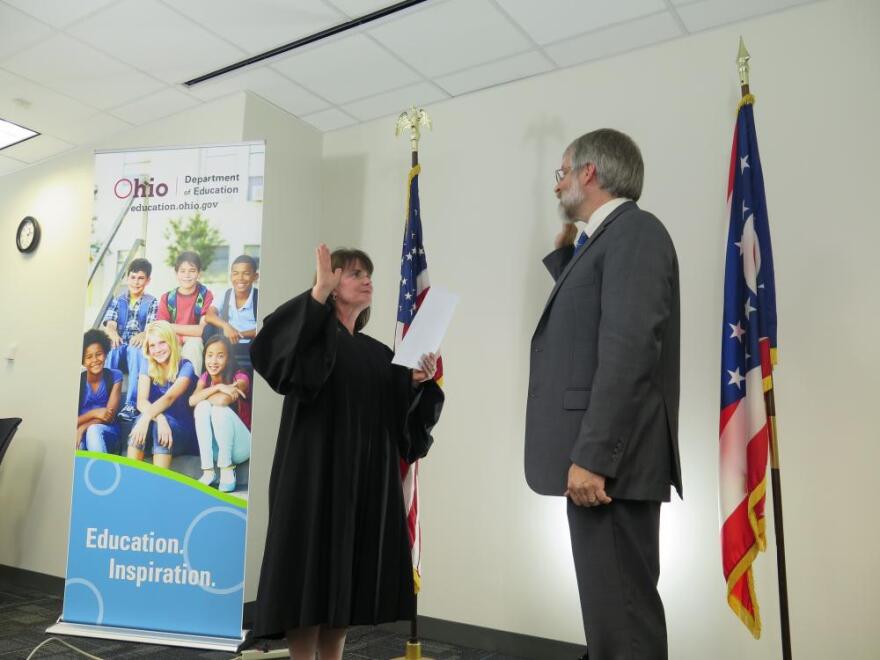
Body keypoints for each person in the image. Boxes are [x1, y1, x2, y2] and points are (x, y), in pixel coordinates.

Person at [524, 129, 681, 660]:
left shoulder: (636, 233)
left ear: (589, 173)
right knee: (614, 620)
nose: (558, 186)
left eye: (562, 173)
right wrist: (566, 254)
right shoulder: (608, 240)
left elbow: (629, 351)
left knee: (623, 630)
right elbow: (590, 323)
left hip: (610, 466)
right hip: (607, 465)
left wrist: (592, 457)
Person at [248, 244, 444, 660]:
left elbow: (401, 423)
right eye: (355, 273)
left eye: (368, 274)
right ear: (334, 283)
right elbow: (272, 354)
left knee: (344, 579)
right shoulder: (313, 340)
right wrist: (316, 292)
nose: (366, 280)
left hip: (360, 480)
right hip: (312, 476)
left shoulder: (377, 353)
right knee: (307, 574)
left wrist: (415, 383)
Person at [127, 320, 199, 470]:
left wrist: (148, 417)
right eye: (152, 345)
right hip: (157, 425)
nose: (157, 350)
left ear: (171, 342)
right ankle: (130, 481)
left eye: (162, 343)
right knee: (142, 421)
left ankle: (159, 486)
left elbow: (169, 398)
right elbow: (141, 401)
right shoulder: (148, 364)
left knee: (147, 422)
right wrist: (160, 418)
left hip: (181, 432)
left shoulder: (186, 366)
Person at [188, 335, 252, 492]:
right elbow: (191, 401)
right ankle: (208, 471)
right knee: (201, 407)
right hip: (216, 448)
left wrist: (206, 395)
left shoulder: (241, 377)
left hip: (242, 446)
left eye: (220, 356)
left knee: (217, 410)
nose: (213, 361)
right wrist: (218, 387)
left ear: (228, 358)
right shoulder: (205, 378)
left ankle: (227, 470)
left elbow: (223, 401)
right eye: (209, 355)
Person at [101, 258, 157, 419]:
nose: (136, 282)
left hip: (136, 348)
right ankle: (106, 399)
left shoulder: (151, 301)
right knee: (113, 348)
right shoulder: (119, 299)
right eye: (133, 277)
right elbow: (110, 324)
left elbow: (151, 326)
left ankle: (131, 404)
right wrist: (112, 332)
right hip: (121, 342)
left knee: (136, 350)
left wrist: (144, 333)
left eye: (141, 278)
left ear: (148, 280)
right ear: (127, 278)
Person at [156, 251, 214, 374]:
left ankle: (191, 387)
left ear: (199, 273)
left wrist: (171, 327)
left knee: (194, 344)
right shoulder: (167, 298)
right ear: (176, 273)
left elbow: (201, 330)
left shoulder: (205, 296)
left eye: (192, 271)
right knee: (160, 346)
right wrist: (183, 337)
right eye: (182, 271)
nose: (187, 275)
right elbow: (161, 329)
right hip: (172, 340)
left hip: (195, 342)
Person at [203, 254, 259, 369]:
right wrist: (226, 326)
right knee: (208, 329)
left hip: (250, 345)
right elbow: (209, 315)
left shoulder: (259, 297)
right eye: (235, 273)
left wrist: (240, 334)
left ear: (255, 276)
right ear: (231, 276)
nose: (240, 278)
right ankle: (208, 376)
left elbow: (266, 328)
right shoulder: (226, 294)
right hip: (227, 345)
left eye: (246, 273)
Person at [76, 329, 122, 453]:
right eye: (89, 357)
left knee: (93, 430)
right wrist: (95, 412)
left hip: (107, 432)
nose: (95, 360)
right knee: (77, 444)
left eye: (99, 354)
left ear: (106, 354)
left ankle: (101, 471)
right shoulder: (78, 382)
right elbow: (70, 422)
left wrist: (84, 426)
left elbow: (109, 416)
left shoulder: (114, 376)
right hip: (81, 433)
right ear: (83, 361)